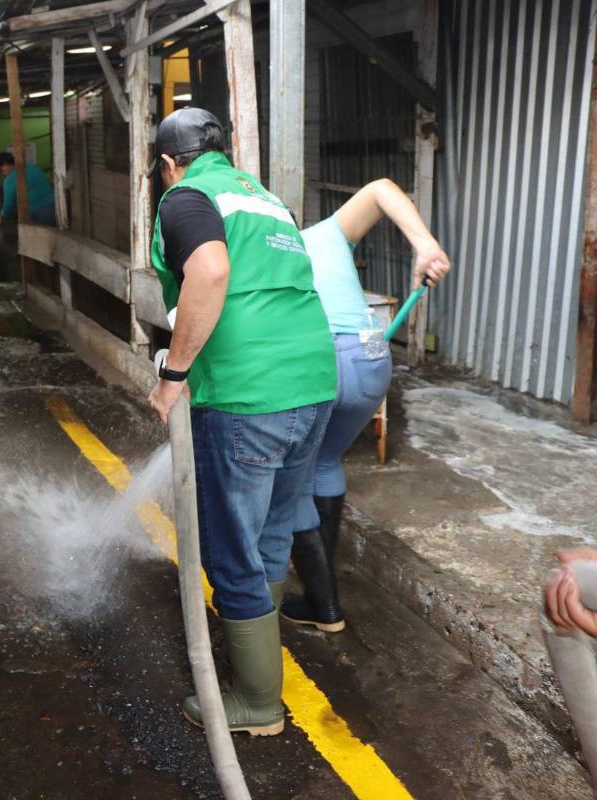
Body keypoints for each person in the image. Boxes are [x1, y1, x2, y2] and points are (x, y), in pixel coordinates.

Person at [146, 107, 336, 737]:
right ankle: (262, 661)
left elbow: (210, 270)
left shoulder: (186, 196)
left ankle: (256, 702)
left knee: (231, 548)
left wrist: (174, 375)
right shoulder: (264, 200)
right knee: (273, 531)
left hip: (247, 394)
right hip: (314, 383)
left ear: (169, 163)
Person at [281, 180, 451, 634]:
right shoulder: (327, 233)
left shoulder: (263, 253)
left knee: (291, 478)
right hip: (371, 360)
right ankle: (319, 590)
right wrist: (425, 245)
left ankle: (323, 604)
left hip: (318, 361)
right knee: (324, 461)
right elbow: (380, 190)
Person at [0, 151, 56, 226]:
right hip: (54, 205)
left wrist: (2, 217)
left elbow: (8, 205)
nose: (2, 174)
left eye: (1, 170)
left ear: (5, 164)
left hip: (37, 212)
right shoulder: (32, 167)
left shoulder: (9, 179)